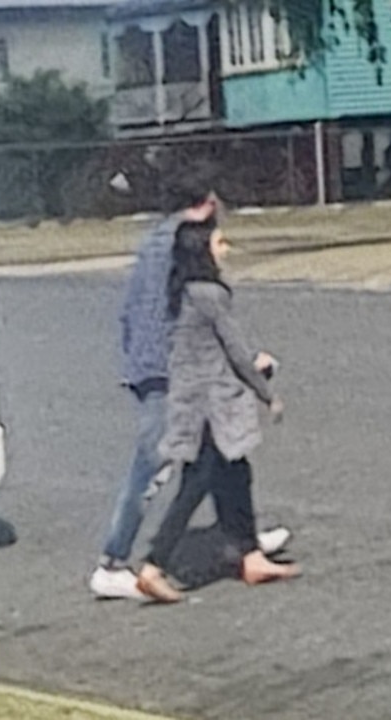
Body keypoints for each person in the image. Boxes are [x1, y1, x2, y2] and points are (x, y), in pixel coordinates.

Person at [88, 188, 290, 600]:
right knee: (160, 463)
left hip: (160, 369)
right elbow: (189, 323)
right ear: (208, 205)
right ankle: (114, 562)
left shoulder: (155, 242)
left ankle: (244, 541)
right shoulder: (181, 250)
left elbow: (132, 314)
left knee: (228, 457)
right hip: (170, 375)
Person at [135, 219, 300, 603]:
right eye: (219, 243)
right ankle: (153, 565)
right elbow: (236, 351)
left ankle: (249, 554)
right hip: (212, 406)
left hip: (194, 399)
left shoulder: (180, 293)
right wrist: (267, 393)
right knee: (196, 484)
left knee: (236, 473)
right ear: (201, 252)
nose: (225, 250)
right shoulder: (210, 294)